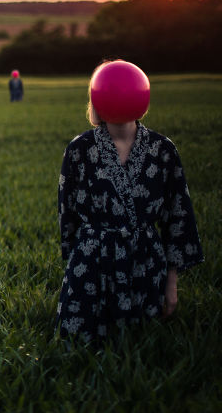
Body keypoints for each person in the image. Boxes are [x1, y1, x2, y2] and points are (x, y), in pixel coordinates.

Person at [56, 60, 203, 343]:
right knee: (79, 347)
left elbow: (178, 217)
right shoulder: (79, 150)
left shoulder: (163, 150)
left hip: (145, 263)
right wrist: (74, 268)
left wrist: (171, 284)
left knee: (142, 346)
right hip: (92, 261)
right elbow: (68, 213)